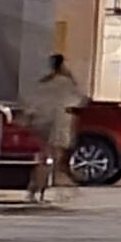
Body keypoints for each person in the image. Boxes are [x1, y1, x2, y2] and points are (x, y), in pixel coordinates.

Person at [24, 47, 85, 205]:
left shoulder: (43, 83)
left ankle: (35, 189)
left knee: (44, 158)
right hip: (57, 125)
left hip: (42, 124)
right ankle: (42, 190)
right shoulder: (66, 83)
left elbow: (32, 104)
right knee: (53, 159)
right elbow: (80, 99)